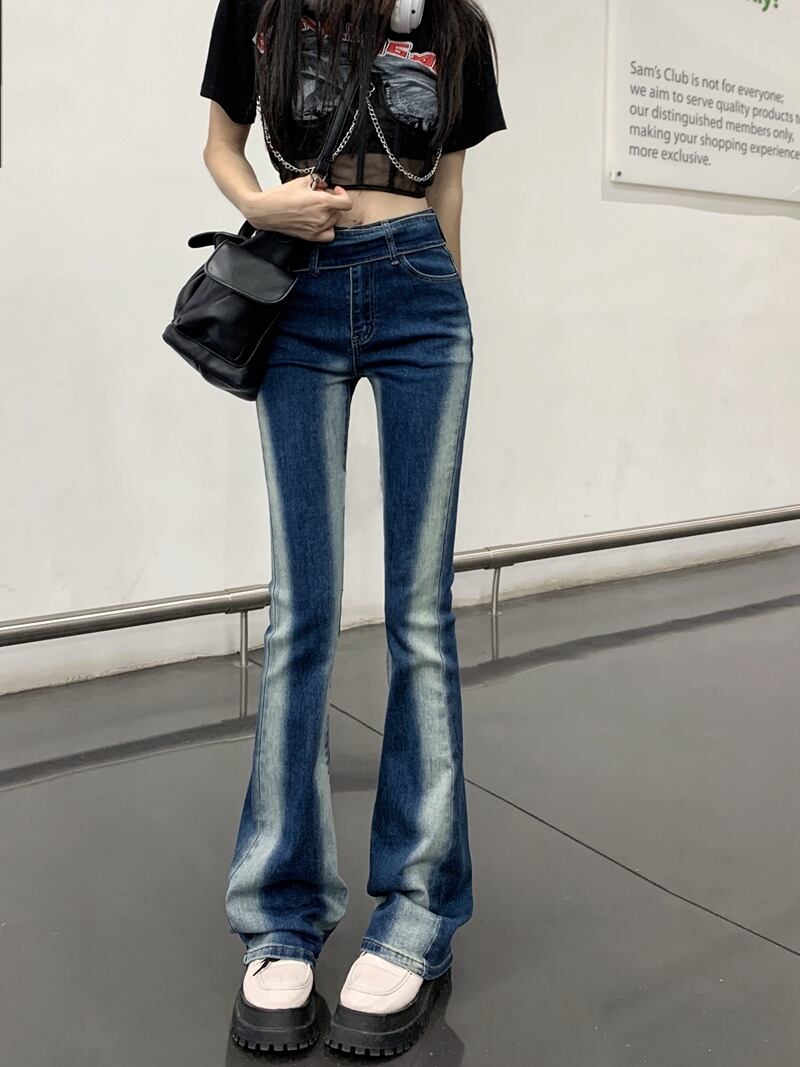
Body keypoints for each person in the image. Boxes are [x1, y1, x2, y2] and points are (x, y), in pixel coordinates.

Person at [199, 0, 507, 1055]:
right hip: (299, 287)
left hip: (420, 288)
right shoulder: (258, 6)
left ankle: (419, 910)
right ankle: (279, 914)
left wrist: (450, 303)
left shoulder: (455, 23)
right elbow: (219, 142)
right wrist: (260, 204)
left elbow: (449, 182)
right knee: (302, 612)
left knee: (420, 612)